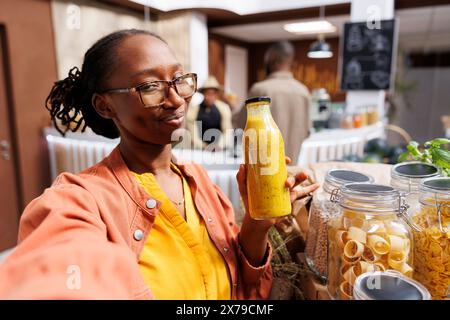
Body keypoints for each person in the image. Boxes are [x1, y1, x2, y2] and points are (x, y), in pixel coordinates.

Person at [0, 29, 319, 299]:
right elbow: (59, 267)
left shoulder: (198, 180)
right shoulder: (80, 198)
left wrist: (257, 222)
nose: (177, 98)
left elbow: (243, 285)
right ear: (105, 105)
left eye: (178, 79)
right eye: (150, 86)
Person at [235, 41, 312, 164]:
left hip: (264, 172)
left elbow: (241, 123)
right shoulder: (303, 91)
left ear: (272, 59)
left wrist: (231, 107)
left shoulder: (261, 89)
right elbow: (307, 131)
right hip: (292, 170)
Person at [185, 76, 233, 150]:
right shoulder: (194, 110)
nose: (210, 96)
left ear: (216, 94)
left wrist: (219, 145)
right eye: (207, 93)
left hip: (220, 149)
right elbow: (193, 135)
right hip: (200, 149)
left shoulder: (224, 108)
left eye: (213, 93)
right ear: (203, 94)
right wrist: (205, 147)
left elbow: (227, 131)